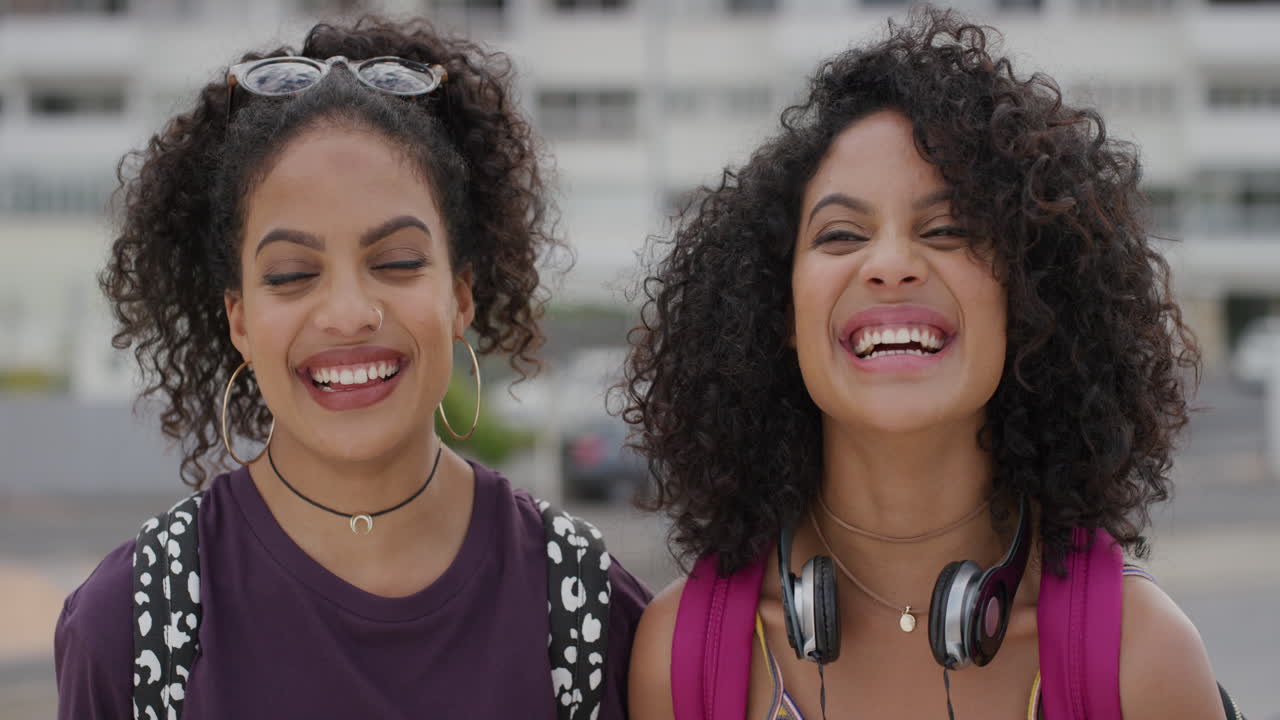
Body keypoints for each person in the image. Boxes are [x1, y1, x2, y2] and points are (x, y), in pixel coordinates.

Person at [623, 9, 1236, 720]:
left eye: (948, 230)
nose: (889, 266)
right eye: (842, 234)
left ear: (1031, 297)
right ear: (777, 311)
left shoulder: (1143, 659)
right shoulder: (682, 659)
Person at [55, 17, 650, 719]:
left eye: (396, 262)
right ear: (239, 318)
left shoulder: (581, 608)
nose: (347, 313)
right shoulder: (131, 623)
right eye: (291, 274)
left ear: (460, 296)